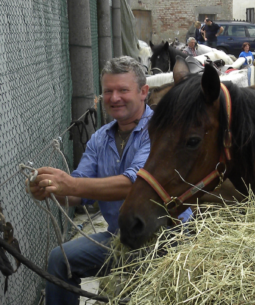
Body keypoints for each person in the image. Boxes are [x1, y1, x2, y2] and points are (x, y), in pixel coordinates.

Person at [29, 56, 192, 305]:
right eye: (108, 91)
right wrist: (51, 188)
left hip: (166, 242)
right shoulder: (100, 138)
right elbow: (77, 192)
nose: (114, 98)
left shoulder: (161, 130)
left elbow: (134, 184)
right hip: (121, 239)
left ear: (143, 92)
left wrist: (70, 184)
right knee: (59, 259)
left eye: (123, 90)